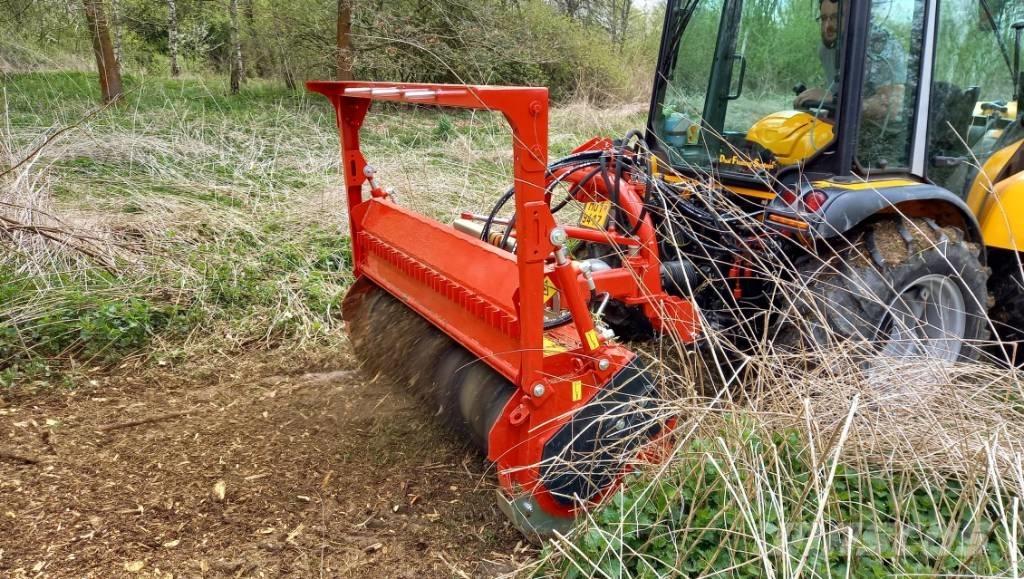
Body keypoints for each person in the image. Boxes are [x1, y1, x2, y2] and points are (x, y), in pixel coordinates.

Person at [796, 0, 910, 168]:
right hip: (847, 133)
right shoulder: (827, 49)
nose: (828, 26)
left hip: (886, 145)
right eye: (823, 18)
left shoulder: (882, 46)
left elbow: (891, 108)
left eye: (835, 18)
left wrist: (834, 100)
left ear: (852, 15)